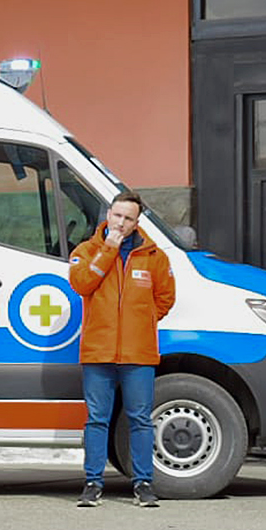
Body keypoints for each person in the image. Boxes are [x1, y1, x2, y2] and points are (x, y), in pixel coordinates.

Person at [68, 190, 176, 508]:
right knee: (97, 419)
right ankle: (93, 482)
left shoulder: (155, 256)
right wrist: (108, 250)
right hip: (98, 350)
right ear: (108, 214)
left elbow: (165, 298)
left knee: (140, 419)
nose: (121, 223)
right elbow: (82, 284)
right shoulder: (87, 250)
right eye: (117, 216)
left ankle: (143, 483)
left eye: (128, 218)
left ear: (137, 221)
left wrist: (140, 323)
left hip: (138, 351)